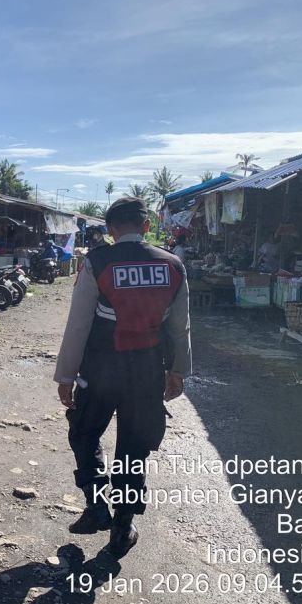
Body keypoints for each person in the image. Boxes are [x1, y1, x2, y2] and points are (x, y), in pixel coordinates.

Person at [54, 196, 191, 557]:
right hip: (147, 372)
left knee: (84, 432)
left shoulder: (97, 261)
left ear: (111, 230)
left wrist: (65, 375)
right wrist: (177, 372)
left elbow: (78, 324)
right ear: (146, 226)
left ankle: (97, 503)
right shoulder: (172, 264)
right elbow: (179, 328)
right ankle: (122, 528)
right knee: (134, 449)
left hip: (100, 369)